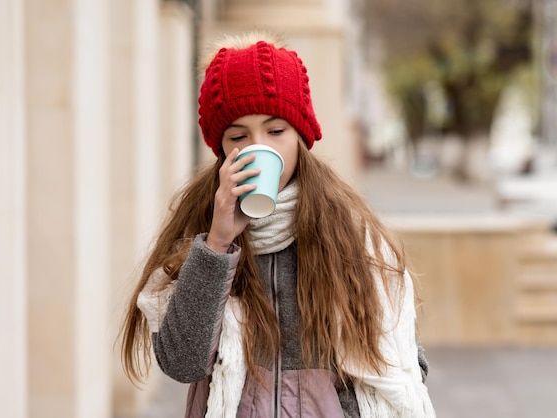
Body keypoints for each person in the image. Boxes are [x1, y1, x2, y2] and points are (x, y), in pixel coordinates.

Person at [119, 30, 436, 418]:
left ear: (300, 136)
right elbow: (181, 362)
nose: (259, 148)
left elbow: (403, 363)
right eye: (239, 135)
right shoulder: (201, 229)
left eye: (275, 131)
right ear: (221, 149)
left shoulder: (349, 233)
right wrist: (218, 244)